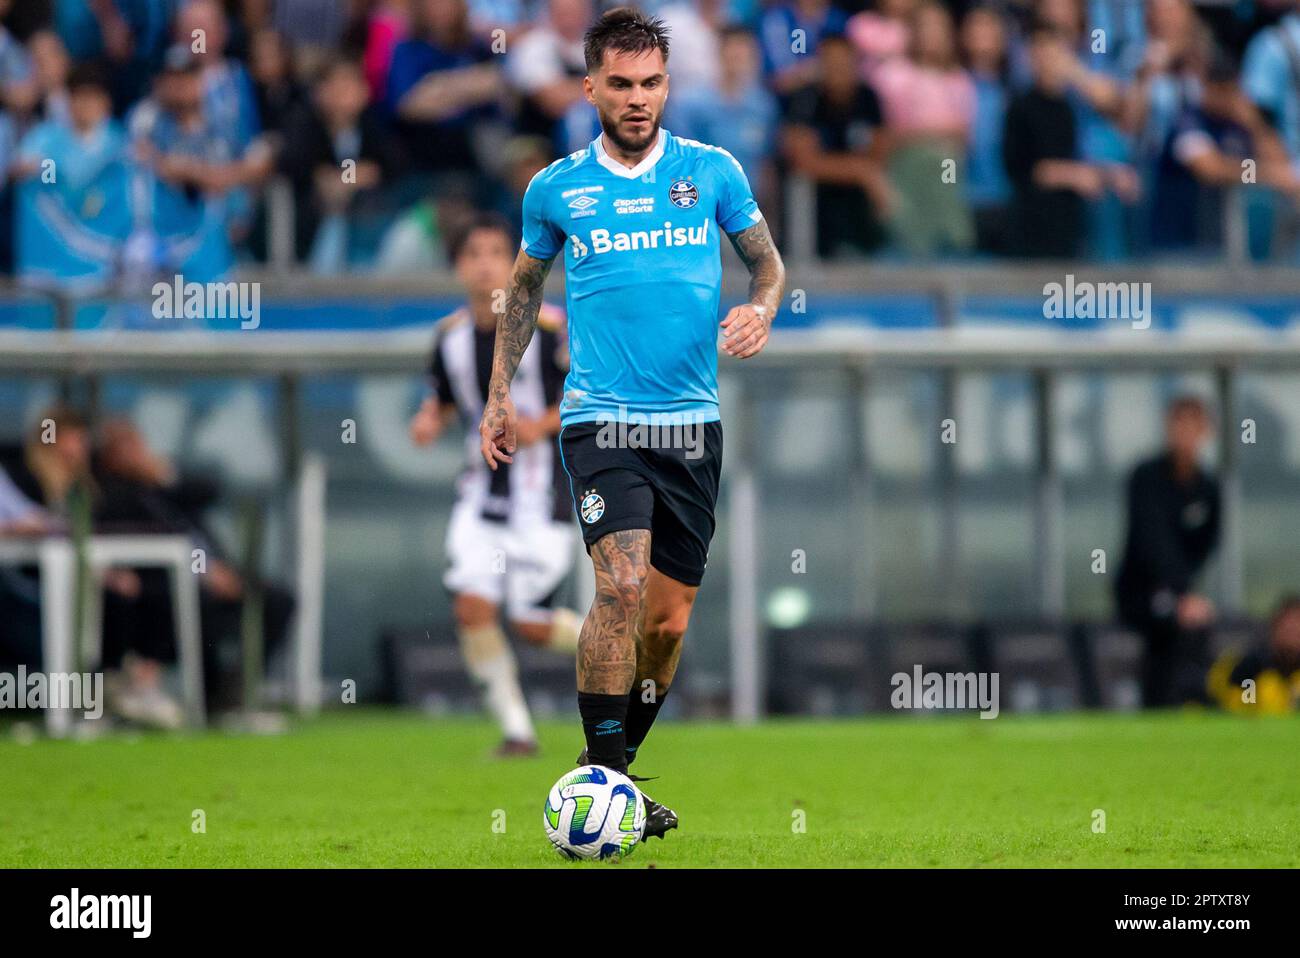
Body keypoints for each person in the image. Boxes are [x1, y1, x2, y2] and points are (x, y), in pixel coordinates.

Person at [478, 8, 785, 840]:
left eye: (651, 82)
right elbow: (524, 289)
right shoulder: (556, 189)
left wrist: (760, 309)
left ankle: (608, 772)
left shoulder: (712, 172)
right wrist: (500, 391)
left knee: (668, 620)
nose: (638, 97)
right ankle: (608, 785)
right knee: (619, 585)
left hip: (692, 424)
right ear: (590, 87)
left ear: (667, 85)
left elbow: (767, 262)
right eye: (621, 83)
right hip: (601, 420)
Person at [409, 212, 581, 757]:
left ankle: (625, 650)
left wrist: (539, 426)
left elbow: (586, 395)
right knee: (472, 607)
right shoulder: (450, 337)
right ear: (458, 266)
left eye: (494, 252)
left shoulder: (550, 329)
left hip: (541, 495)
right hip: (481, 494)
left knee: (531, 623)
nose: (484, 265)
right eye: (472, 254)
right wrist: (429, 417)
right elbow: (441, 394)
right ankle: (517, 730)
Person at [1115, 396, 1222, 709]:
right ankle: (1160, 708)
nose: (1184, 434)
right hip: (1139, 590)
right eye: (1179, 425)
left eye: (1193, 426)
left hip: (1183, 591)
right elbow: (1151, 541)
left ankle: (1190, 703)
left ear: (1205, 431)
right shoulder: (1146, 477)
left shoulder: (1207, 487)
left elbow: (1207, 542)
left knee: (1195, 626)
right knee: (1170, 624)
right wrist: (1180, 593)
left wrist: (1186, 591)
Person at [1208, 595, 1300, 713]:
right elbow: (1233, 703)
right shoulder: (1252, 666)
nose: (1292, 632)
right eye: (1288, 627)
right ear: (1275, 629)